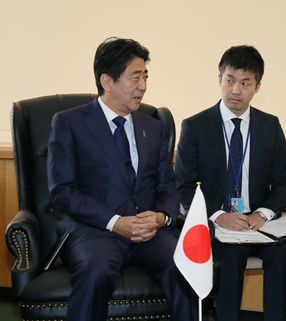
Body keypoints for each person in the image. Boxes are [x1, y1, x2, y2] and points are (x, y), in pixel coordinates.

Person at [47, 37, 198, 321]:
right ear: (107, 81)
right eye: (135, 77)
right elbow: (62, 192)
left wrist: (162, 217)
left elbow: (167, 186)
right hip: (94, 230)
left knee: (185, 265)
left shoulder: (153, 127)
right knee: (96, 272)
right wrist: (116, 222)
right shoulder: (68, 123)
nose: (143, 86)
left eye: (145, 77)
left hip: (149, 232)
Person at [175, 45, 286, 321]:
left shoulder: (270, 126)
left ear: (257, 87)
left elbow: (284, 182)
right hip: (215, 227)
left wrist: (262, 214)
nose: (236, 91)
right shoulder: (195, 126)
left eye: (245, 83)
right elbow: (183, 185)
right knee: (232, 255)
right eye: (230, 80)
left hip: (257, 226)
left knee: (283, 253)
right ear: (220, 79)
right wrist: (219, 216)